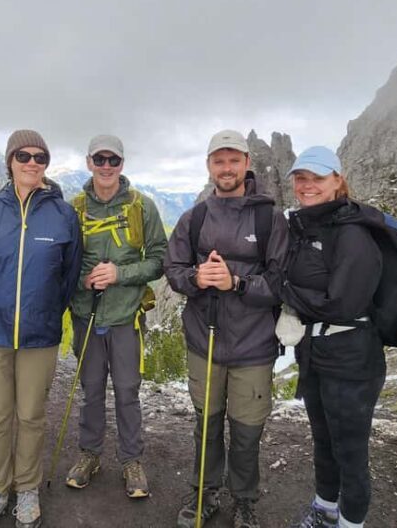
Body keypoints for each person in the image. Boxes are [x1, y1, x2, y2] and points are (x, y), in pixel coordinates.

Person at [163, 130, 288, 528]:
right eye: (219, 161)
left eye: (234, 160)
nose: (227, 168)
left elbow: (281, 283)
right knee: (207, 424)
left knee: (248, 430)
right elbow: (174, 270)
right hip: (205, 341)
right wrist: (197, 279)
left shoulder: (270, 218)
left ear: (247, 164)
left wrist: (234, 282)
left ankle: (244, 499)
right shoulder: (194, 217)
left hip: (254, 346)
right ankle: (204, 492)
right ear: (209, 166)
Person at [0, 130, 82, 528]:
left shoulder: (63, 215)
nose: (32, 162)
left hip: (40, 334)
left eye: (40, 157)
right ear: (10, 161)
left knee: (31, 415)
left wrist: (48, 310)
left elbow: (70, 274)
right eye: (24, 155)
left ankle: (27, 487)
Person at [282, 147, 385, 528]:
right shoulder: (310, 225)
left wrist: (284, 290)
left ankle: (350, 523)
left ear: (337, 180)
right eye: (301, 178)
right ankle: (324, 509)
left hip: (353, 358)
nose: (307, 185)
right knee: (324, 441)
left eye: (317, 178)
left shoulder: (354, 232)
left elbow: (342, 302)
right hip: (318, 353)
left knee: (350, 451)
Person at [64, 135, 167, 498]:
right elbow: (61, 263)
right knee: (91, 389)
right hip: (85, 314)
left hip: (126, 316)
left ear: (122, 164)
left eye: (114, 160)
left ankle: (131, 461)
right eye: (100, 159)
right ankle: (89, 454)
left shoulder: (143, 207)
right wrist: (83, 279)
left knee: (127, 390)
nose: (106, 166)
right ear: (89, 161)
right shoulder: (72, 208)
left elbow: (159, 259)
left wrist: (120, 275)